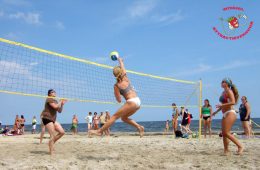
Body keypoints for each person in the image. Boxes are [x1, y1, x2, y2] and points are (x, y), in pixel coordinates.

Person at [89, 56, 144, 137]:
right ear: (121, 72)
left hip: (131, 102)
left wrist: (118, 95)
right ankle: (139, 127)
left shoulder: (116, 86)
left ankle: (99, 131)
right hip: (138, 101)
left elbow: (119, 100)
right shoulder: (126, 77)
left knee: (114, 117)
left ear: (114, 75)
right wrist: (120, 60)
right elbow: (123, 67)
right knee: (124, 118)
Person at [212, 78, 243, 155]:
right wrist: (216, 112)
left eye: (223, 82)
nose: (221, 83)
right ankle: (226, 151)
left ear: (227, 83)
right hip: (225, 113)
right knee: (224, 133)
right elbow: (224, 104)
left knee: (226, 132)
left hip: (230, 112)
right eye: (221, 81)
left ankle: (240, 146)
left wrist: (222, 105)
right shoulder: (223, 92)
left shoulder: (229, 91)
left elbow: (233, 102)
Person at [41, 89, 67, 155]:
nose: (54, 93)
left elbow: (59, 111)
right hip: (46, 118)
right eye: (52, 92)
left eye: (55, 92)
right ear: (49, 94)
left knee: (62, 132)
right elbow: (55, 106)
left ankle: (51, 143)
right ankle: (51, 152)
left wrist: (62, 104)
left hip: (53, 119)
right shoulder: (49, 99)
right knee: (52, 135)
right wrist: (60, 102)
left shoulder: (55, 101)